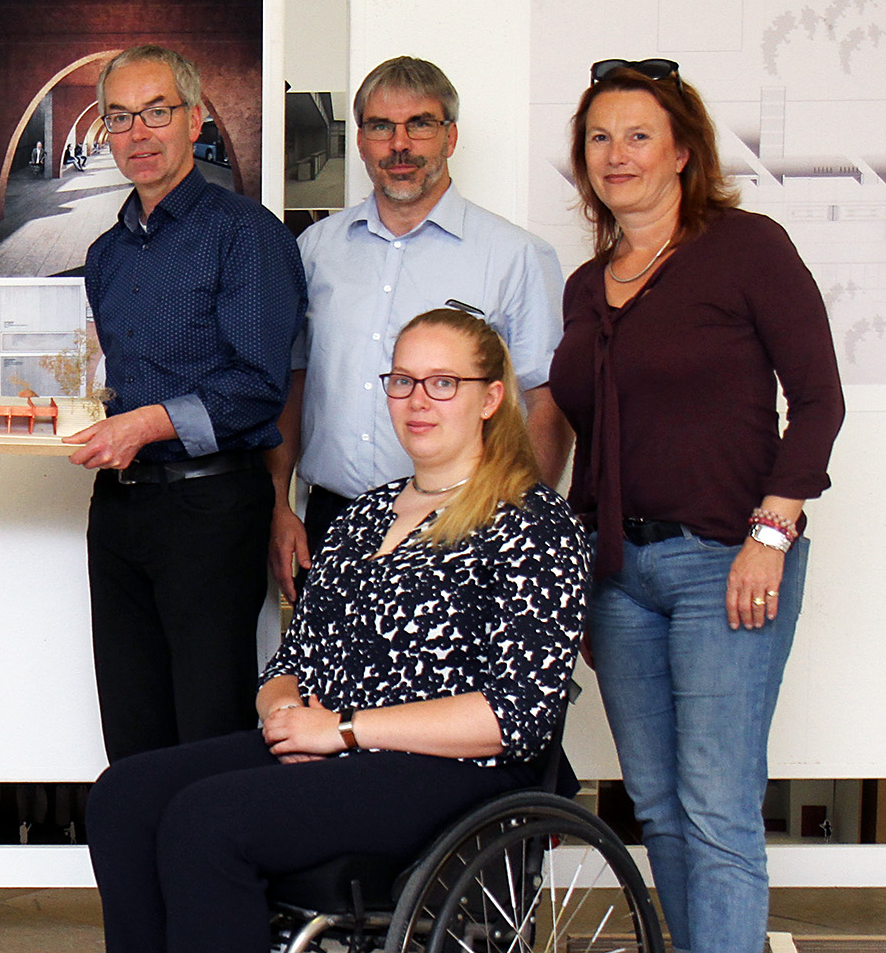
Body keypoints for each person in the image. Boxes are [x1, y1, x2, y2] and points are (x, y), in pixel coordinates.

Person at [88, 307, 587, 953]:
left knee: (207, 820)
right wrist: (286, 713)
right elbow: (290, 661)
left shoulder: (531, 522)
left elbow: (516, 716)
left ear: (491, 398)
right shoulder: (364, 516)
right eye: (402, 381)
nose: (417, 400)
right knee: (124, 796)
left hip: (451, 765)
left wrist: (344, 729)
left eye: (443, 383)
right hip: (334, 746)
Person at [548, 58, 844, 953]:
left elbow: (819, 401)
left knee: (717, 802)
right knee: (658, 802)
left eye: (639, 135)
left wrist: (771, 532)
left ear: (683, 151)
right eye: (600, 138)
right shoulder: (585, 285)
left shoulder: (747, 247)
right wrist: (582, 576)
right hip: (620, 576)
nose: (617, 154)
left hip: (726, 560)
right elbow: (592, 442)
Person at [62, 44, 306, 762]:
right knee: (130, 729)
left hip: (211, 511)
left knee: (207, 729)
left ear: (194, 120)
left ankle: (204, 842)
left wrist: (147, 423)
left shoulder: (247, 234)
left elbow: (259, 385)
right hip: (118, 511)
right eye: (119, 117)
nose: (137, 133)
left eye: (156, 112)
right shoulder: (106, 255)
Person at [268, 56, 568, 599]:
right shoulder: (315, 251)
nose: (399, 145)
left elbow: (545, 400)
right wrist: (278, 504)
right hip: (331, 526)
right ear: (361, 142)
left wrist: (523, 529)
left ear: (450, 136)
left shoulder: (515, 256)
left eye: (420, 124)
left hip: (464, 524)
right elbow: (295, 380)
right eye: (381, 127)